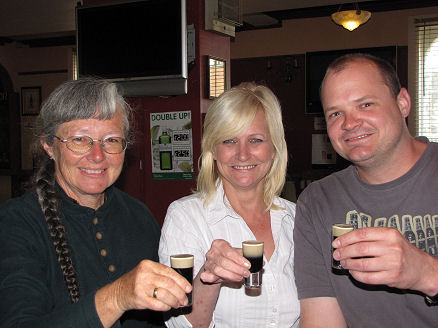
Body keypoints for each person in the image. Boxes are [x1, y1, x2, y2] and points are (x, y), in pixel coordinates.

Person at [0, 78, 191, 328]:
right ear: (49, 146)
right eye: (80, 140)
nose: (97, 155)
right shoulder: (16, 223)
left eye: (111, 140)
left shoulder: (138, 215)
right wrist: (118, 296)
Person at [293, 53, 438, 327]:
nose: (349, 123)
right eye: (335, 113)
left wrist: (426, 273)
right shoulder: (317, 201)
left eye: (366, 104)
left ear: (402, 103)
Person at [159, 82, 300, 328]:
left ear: (275, 149)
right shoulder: (185, 217)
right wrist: (209, 277)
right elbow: (179, 324)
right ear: (213, 149)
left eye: (256, 140)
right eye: (229, 141)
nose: (242, 154)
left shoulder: (297, 218)